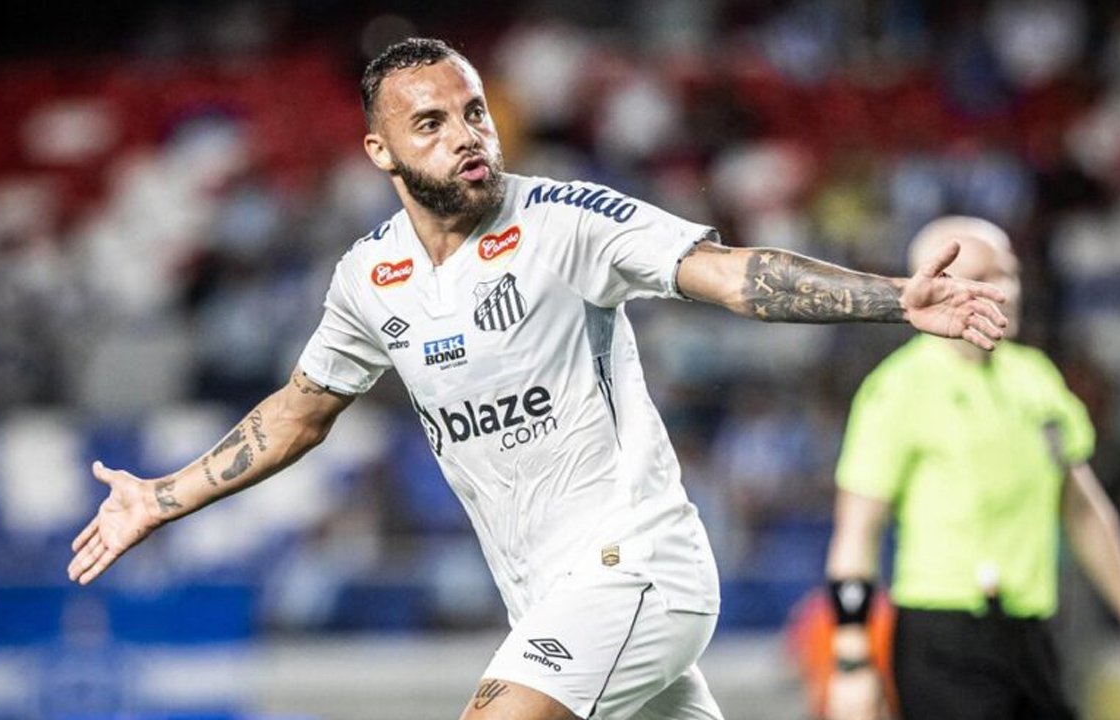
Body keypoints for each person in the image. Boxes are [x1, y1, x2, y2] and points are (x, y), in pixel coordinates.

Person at [66, 39, 1008, 720]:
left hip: (634, 570)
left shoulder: (565, 220)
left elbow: (731, 273)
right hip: (544, 596)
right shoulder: (369, 277)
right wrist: (161, 496)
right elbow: (302, 412)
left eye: (475, 112)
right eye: (430, 123)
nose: (467, 135)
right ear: (381, 153)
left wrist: (894, 297)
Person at [822, 216, 1120, 720]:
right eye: (985, 276)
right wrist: (852, 664)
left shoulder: (1037, 379)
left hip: (1034, 632)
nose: (1006, 292)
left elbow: (1085, 513)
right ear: (935, 283)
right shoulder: (896, 390)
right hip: (943, 639)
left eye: (1011, 275)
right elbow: (857, 532)